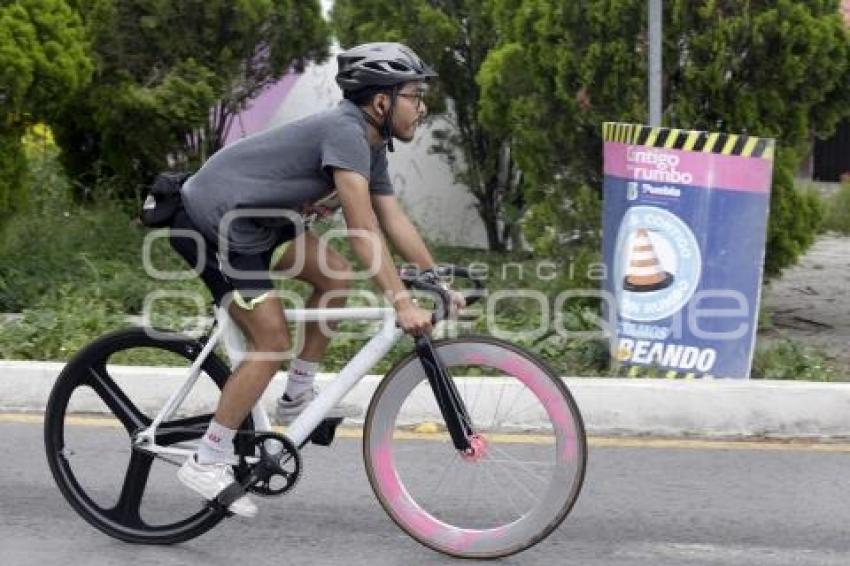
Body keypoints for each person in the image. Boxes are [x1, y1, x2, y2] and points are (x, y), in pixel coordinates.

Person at [170, 42, 466, 517]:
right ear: (381, 101)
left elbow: (393, 219)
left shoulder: (371, 145)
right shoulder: (345, 131)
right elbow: (362, 227)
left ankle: (296, 396)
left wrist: (434, 280)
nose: (422, 106)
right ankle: (208, 458)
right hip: (216, 220)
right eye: (413, 95)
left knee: (337, 279)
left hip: (263, 222)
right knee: (271, 341)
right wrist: (401, 301)